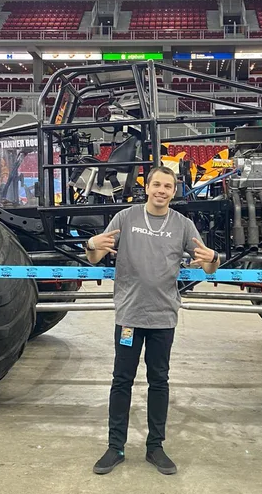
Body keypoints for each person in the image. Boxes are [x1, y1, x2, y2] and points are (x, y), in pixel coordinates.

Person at [86, 165, 220, 476]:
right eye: (156, 184)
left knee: (159, 382)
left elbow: (208, 267)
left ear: (174, 192)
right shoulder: (126, 218)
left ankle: (155, 446)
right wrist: (92, 246)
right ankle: (115, 446)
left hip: (163, 318)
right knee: (122, 381)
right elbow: (95, 256)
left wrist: (211, 259)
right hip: (130, 316)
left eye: (168, 187)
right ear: (148, 187)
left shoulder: (183, 225)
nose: (161, 191)